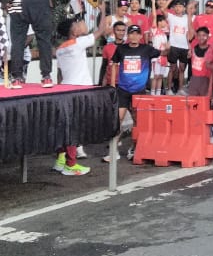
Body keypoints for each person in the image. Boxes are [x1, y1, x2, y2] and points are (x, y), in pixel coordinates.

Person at [51, 15, 110, 176]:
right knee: (74, 128)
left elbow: (59, 74)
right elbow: (101, 30)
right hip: (80, 92)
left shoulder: (60, 49)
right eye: (76, 24)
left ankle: (61, 159)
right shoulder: (78, 43)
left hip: (65, 90)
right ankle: (71, 164)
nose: (79, 25)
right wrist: (102, 10)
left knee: (65, 127)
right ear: (73, 31)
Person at [108, 24, 162, 161]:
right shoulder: (121, 49)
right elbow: (114, 65)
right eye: (131, 33)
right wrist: (113, 85)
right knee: (117, 119)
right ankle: (113, 150)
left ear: (140, 36)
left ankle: (134, 147)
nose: (134, 36)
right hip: (123, 90)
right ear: (128, 35)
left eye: (137, 33)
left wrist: (167, 47)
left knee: (138, 121)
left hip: (139, 92)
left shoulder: (147, 49)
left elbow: (163, 53)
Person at [188, 26, 213, 97]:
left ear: (208, 37)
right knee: (193, 102)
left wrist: (210, 88)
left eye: (204, 35)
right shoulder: (193, 48)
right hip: (194, 80)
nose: (201, 37)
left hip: (206, 81)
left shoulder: (211, 50)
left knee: (205, 102)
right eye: (199, 35)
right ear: (197, 37)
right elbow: (189, 33)